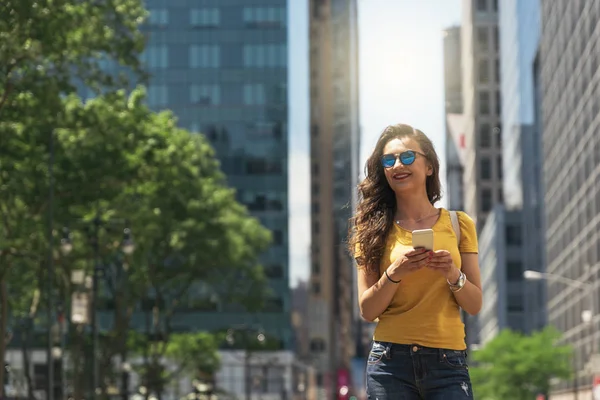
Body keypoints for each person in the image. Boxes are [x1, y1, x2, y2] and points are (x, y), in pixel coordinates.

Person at [349, 123, 483, 399]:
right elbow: (367, 310)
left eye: (408, 156)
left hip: (448, 363)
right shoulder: (370, 231)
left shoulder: (459, 224)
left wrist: (452, 272)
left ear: (430, 166)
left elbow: (474, 304)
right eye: (389, 160)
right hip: (389, 363)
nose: (398, 164)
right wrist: (394, 273)